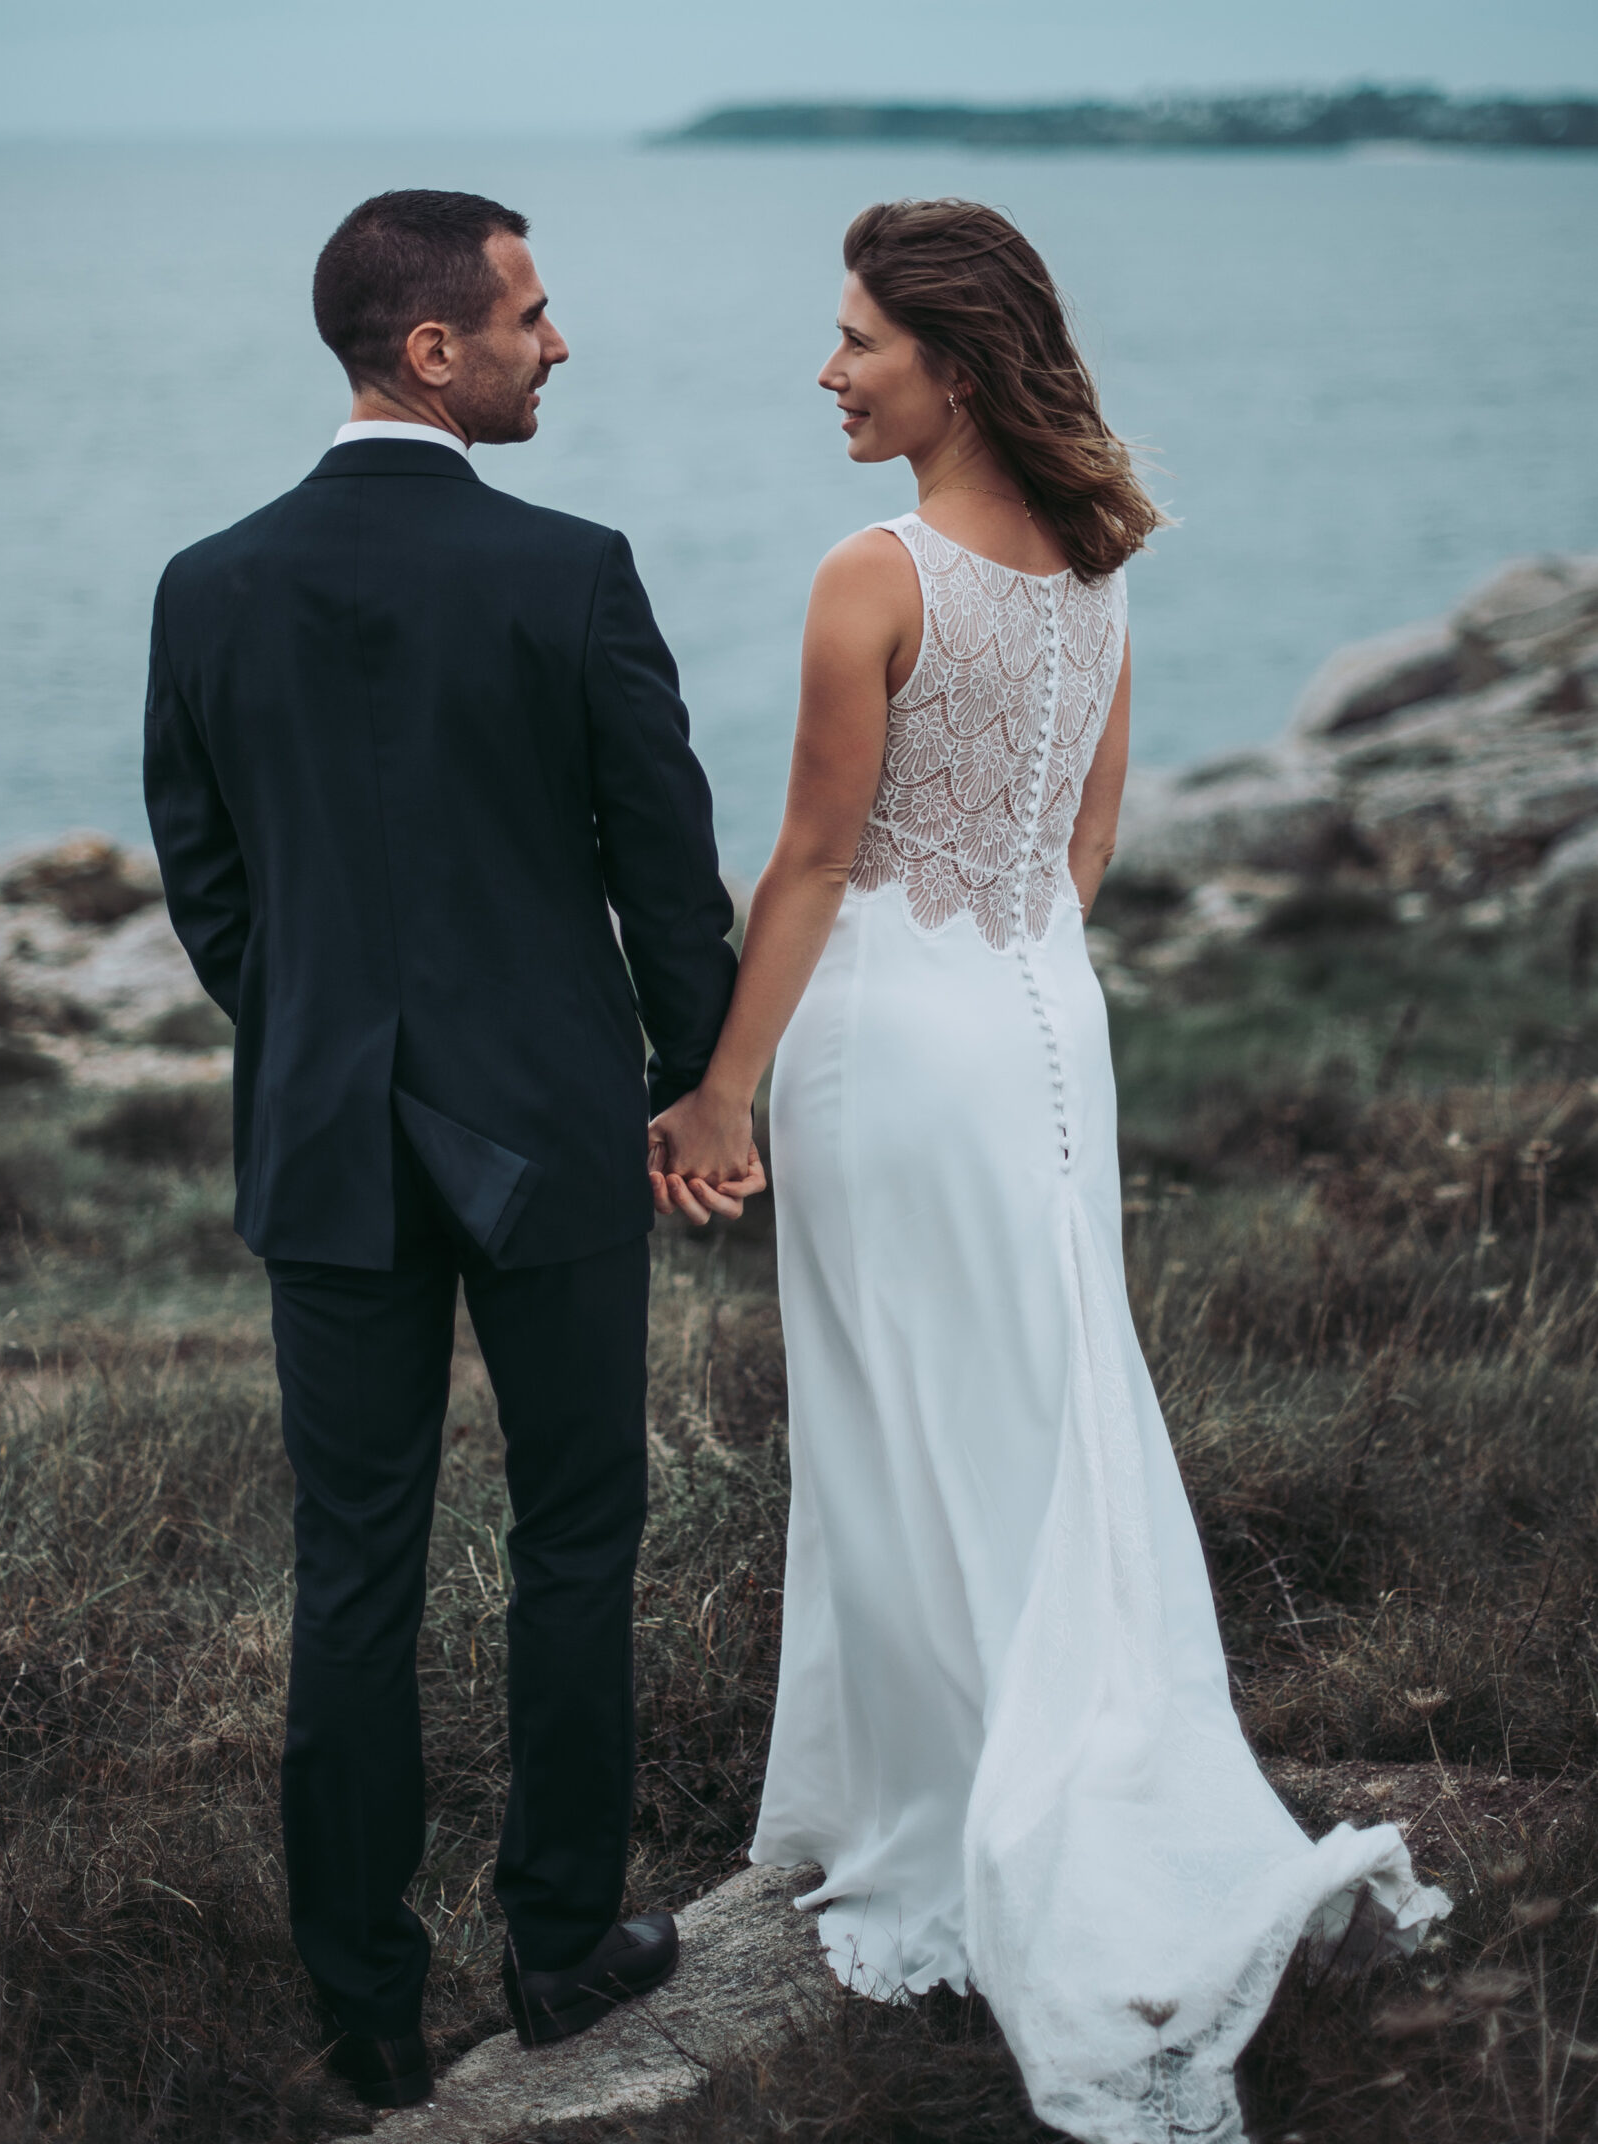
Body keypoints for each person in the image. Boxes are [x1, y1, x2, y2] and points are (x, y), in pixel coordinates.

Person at [649, 199, 1448, 2143]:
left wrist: (719, 1090)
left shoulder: (876, 572)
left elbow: (818, 863)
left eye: (855, 338)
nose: (828, 370)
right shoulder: (1101, 571)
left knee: (909, 1419)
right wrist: (1015, 982)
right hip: (1037, 1026)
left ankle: (946, 1808)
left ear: (958, 357)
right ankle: (1009, 1768)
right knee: (1048, 1406)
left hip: (894, 1042)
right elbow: (1075, 854)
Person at [144, 190, 759, 2109]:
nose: (553, 345)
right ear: (434, 350)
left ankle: (368, 2016)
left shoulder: (206, 582)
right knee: (576, 1535)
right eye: (531, 316)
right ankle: (563, 1948)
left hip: (328, 1144)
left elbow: (211, 889)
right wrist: (691, 1075)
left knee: (355, 1571)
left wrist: (331, 1049)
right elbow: (664, 873)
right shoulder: (570, 572)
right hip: (555, 1131)